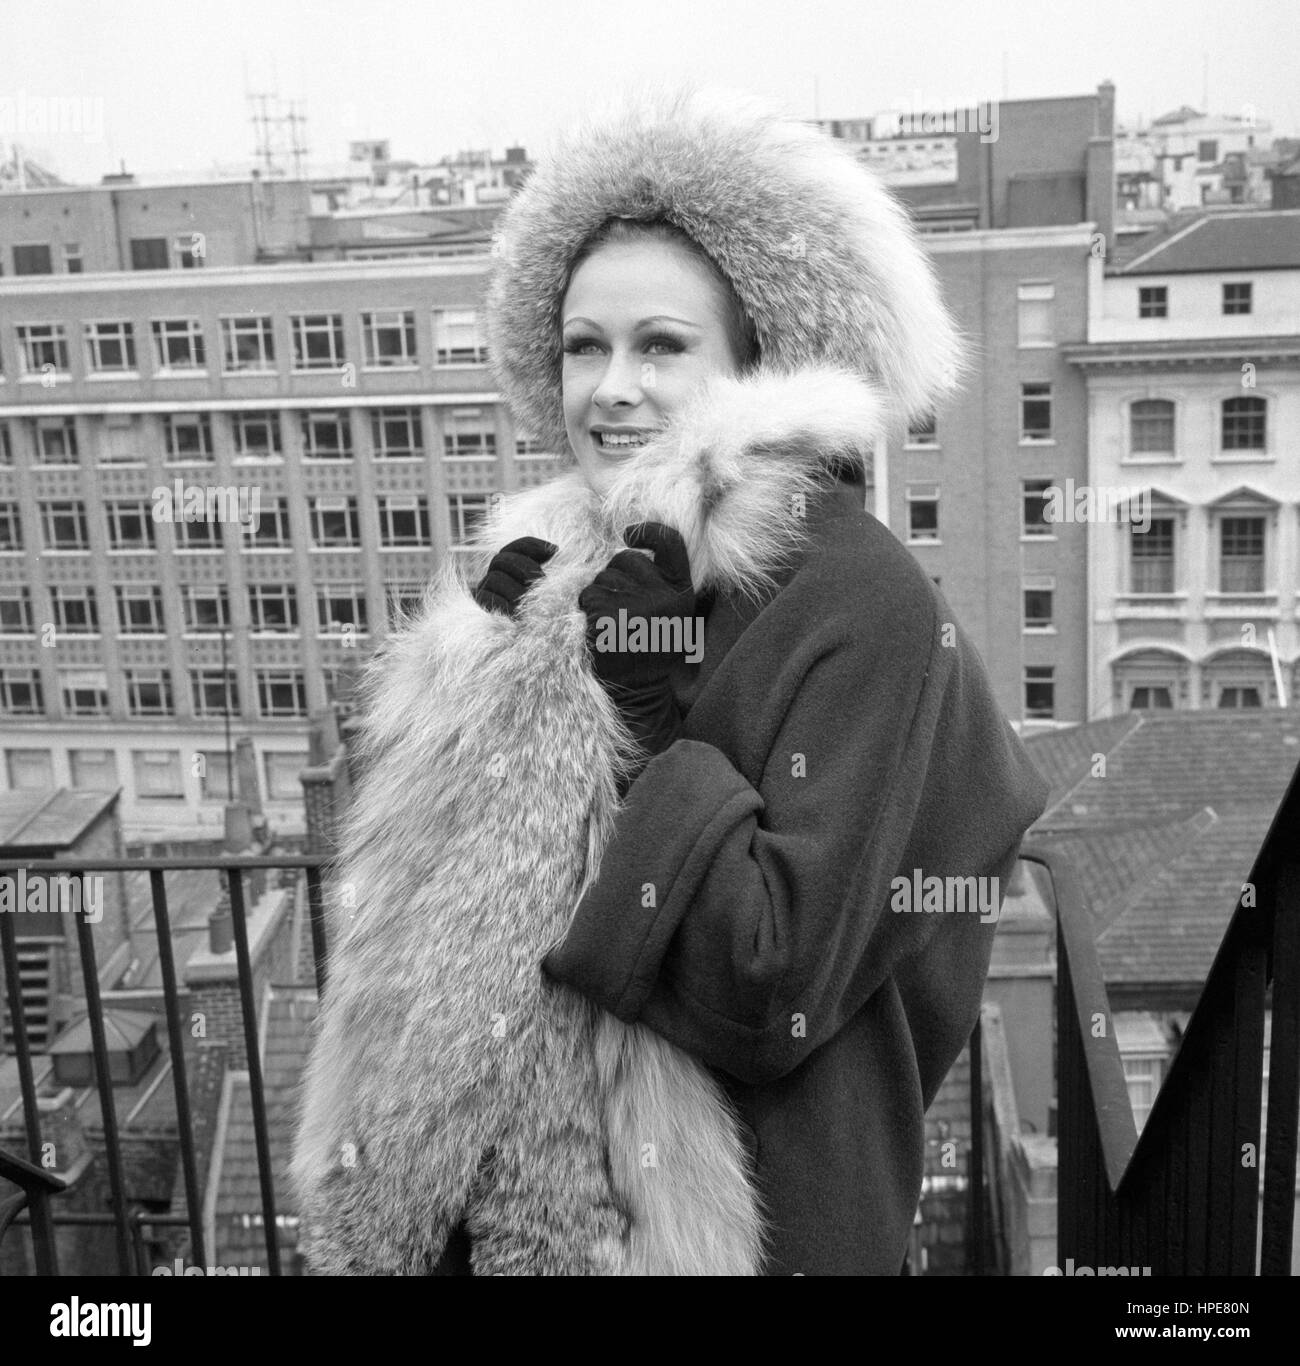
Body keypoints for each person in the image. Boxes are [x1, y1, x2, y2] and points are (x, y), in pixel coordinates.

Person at [292, 85, 1049, 1277]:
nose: (611, 389)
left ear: (759, 364)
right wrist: (468, 699)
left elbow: (771, 988)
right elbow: (436, 929)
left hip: (742, 1237)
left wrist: (647, 713)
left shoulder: (863, 598)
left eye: (660, 345)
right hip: (507, 1226)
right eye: (584, 347)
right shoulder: (556, 560)